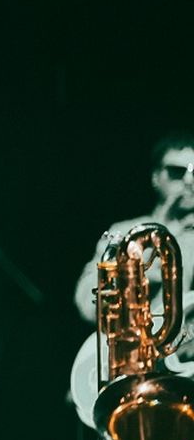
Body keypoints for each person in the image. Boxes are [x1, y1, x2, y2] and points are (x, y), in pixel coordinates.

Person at [74, 133, 194, 322]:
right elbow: (87, 304)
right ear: (156, 177)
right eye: (177, 172)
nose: (189, 181)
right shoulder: (124, 230)